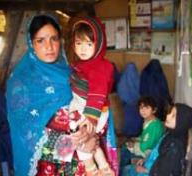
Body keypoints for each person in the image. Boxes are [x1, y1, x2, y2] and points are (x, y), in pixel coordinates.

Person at [6, 14, 98, 176]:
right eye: (40, 41)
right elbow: (26, 135)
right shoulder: (20, 83)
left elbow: (91, 107)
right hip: (45, 164)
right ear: (31, 44)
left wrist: (88, 131)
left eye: (54, 39)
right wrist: (73, 143)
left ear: (60, 41)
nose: (49, 47)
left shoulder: (72, 73)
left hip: (81, 159)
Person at [66, 16, 117, 175]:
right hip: (85, 106)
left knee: (82, 139)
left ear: (99, 44)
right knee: (87, 138)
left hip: (93, 110)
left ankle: (92, 169)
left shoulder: (99, 67)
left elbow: (98, 92)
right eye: (78, 43)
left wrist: (90, 117)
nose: (83, 49)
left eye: (89, 44)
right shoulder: (84, 64)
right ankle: (104, 167)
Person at [122, 103, 192, 176]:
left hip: (149, 172)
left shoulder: (175, 147)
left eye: (173, 116)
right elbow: (157, 154)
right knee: (124, 168)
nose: (168, 116)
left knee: (124, 170)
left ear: (181, 122)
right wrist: (146, 160)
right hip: (150, 165)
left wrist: (144, 170)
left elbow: (163, 173)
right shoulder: (170, 134)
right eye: (170, 113)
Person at [120, 96, 165, 175]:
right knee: (124, 148)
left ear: (154, 110)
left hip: (148, 154)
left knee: (123, 154)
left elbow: (148, 145)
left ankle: (121, 170)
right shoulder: (148, 121)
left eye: (147, 108)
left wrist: (133, 146)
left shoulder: (155, 126)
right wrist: (135, 140)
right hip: (144, 150)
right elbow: (144, 137)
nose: (143, 111)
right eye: (141, 108)